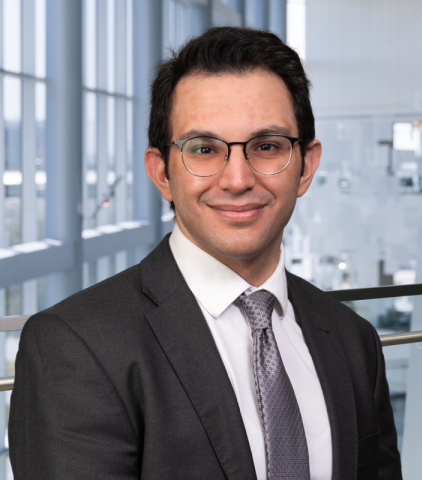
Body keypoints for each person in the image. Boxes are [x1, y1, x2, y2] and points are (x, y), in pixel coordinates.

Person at [9, 27, 402, 480]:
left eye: (267, 146)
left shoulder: (354, 341)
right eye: (204, 149)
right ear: (161, 174)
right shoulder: (78, 346)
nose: (237, 179)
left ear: (306, 167)